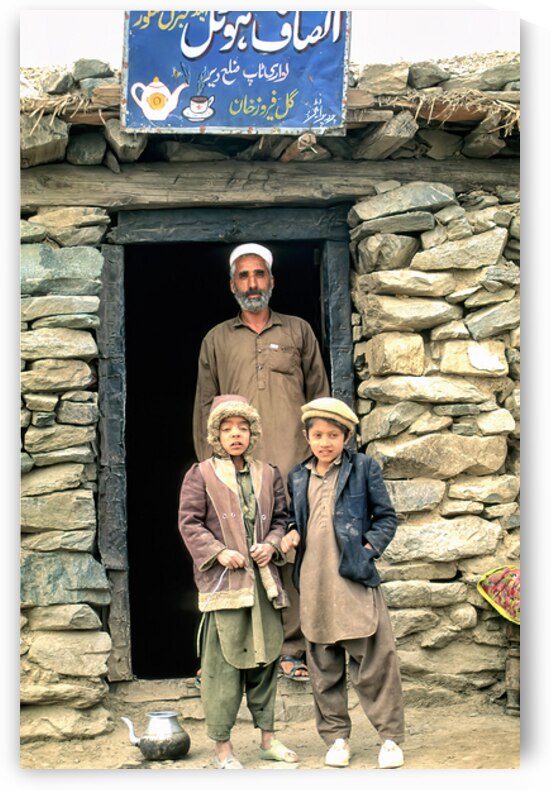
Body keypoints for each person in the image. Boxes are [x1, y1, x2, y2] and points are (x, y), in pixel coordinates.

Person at [193, 242, 330, 682]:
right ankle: (235, 654)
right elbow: (204, 408)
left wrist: (320, 461)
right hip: (237, 471)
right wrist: (209, 471)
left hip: (293, 463)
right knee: (235, 552)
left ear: (272, 281)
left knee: (290, 553)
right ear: (232, 284)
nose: (252, 283)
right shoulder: (217, 339)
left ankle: (291, 648)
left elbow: (320, 398)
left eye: (259, 275)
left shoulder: (298, 331)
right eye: (243, 276)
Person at [281, 397, 405, 769]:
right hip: (314, 582)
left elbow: (386, 518)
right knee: (323, 664)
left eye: (333, 435)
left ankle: (389, 739)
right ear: (306, 436)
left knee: (375, 661)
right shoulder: (298, 474)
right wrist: (290, 532)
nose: (324, 442)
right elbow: (292, 517)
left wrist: (366, 549)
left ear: (346, 436)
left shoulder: (363, 468)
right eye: (317, 434)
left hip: (352, 577)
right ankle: (336, 738)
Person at [178, 394, 299, 769]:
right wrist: (218, 552)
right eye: (227, 428)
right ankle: (223, 750)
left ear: (252, 433)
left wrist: (272, 545)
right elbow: (189, 522)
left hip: (263, 585)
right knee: (223, 667)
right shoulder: (200, 474)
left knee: (265, 661)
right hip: (225, 587)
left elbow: (282, 518)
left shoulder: (269, 473)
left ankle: (267, 740)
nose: (235, 435)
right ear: (216, 434)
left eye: (242, 428)